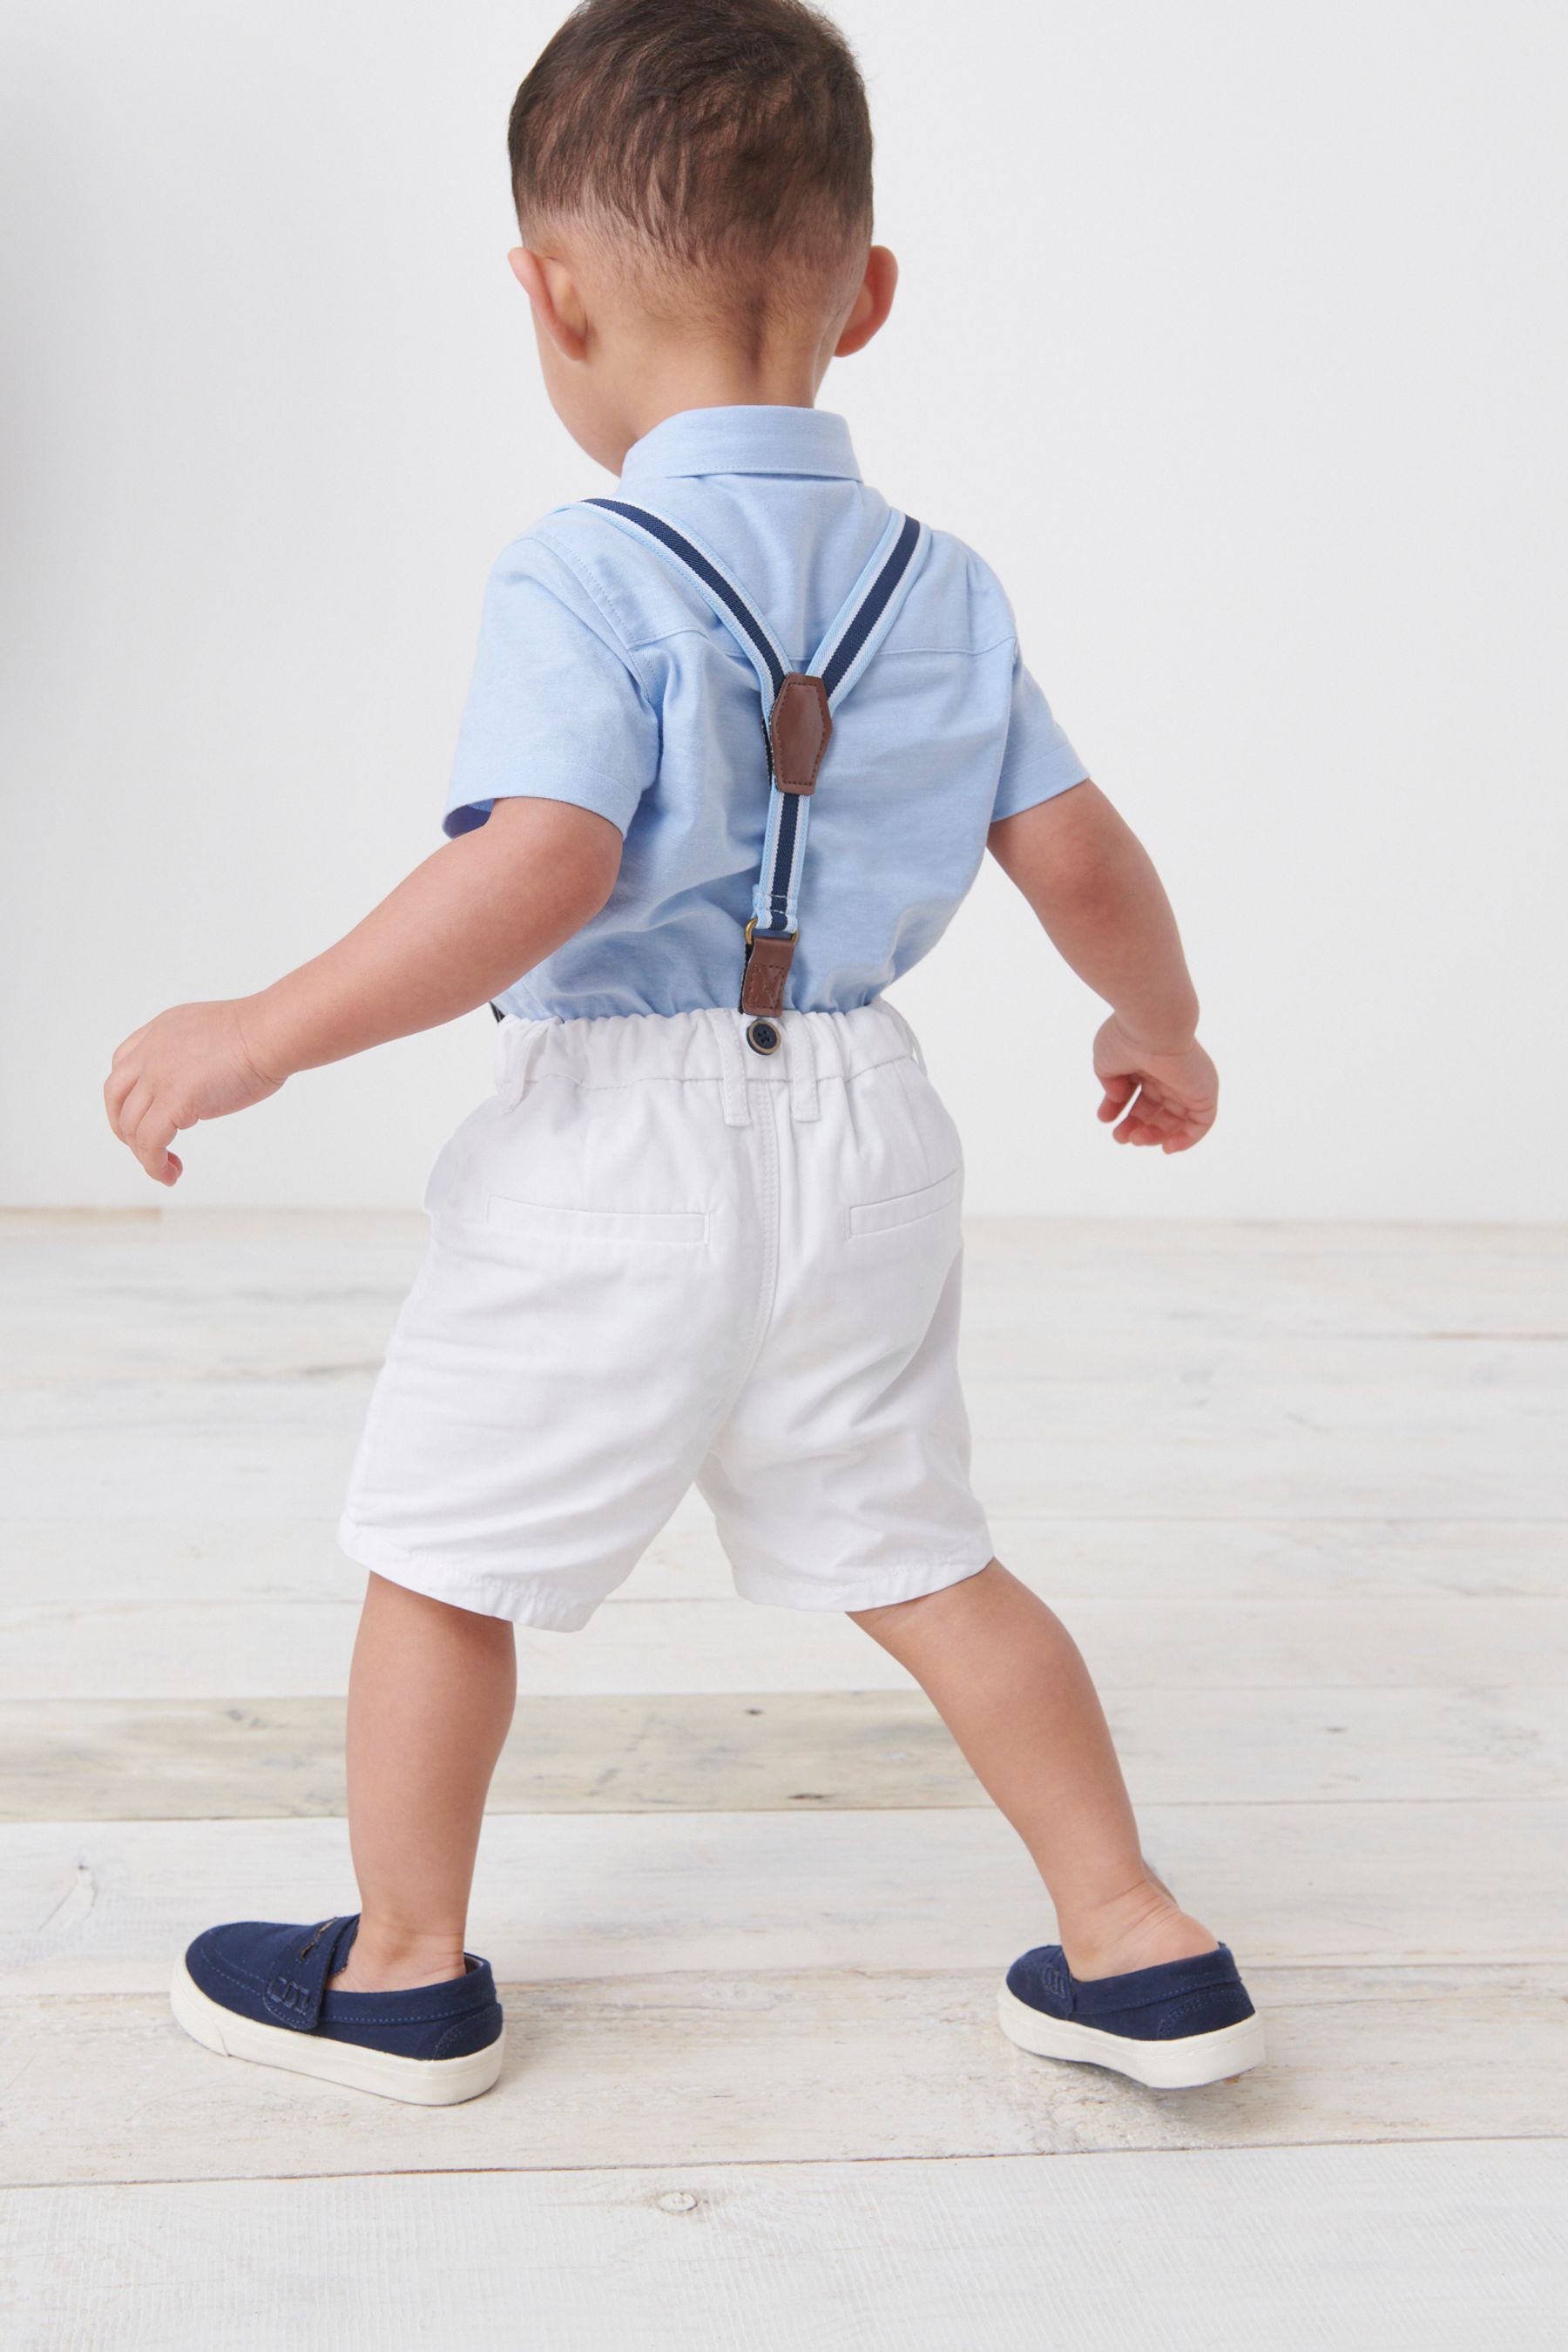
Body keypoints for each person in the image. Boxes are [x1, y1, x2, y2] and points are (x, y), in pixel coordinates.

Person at [104, 0, 1262, 2105]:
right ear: (868, 294)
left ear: (545, 301)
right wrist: (1154, 1021)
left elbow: (541, 865)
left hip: (615, 1153)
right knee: (923, 1551)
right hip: (868, 1130)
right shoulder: (949, 583)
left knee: (447, 1555)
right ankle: (1135, 1938)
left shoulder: (583, 569)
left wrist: (263, 1033)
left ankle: (400, 1966)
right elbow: (1078, 849)